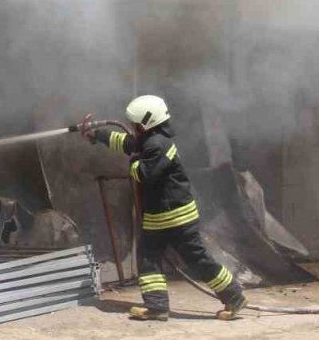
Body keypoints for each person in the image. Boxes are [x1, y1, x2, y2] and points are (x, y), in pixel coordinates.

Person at [81, 95, 247, 321]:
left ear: (147, 123)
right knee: (156, 258)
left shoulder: (158, 145)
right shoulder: (153, 139)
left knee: (192, 259)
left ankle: (232, 296)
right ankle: (158, 306)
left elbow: (144, 174)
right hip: (163, 215)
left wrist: (133, 163)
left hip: (172, 216)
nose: (132, 127)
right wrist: (97, 135)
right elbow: (128, 143)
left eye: (135, 124)